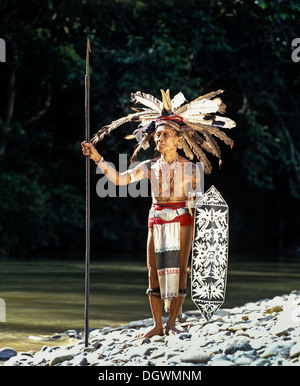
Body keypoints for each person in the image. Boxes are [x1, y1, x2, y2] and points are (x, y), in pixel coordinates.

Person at [81, 89, 235, 337]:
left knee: (181, 271)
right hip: (156, 218)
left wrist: (203, 221)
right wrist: (98, 158)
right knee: (154, 272)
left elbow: (197, 202)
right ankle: (157, 324)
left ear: (177, 139)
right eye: (157, 135)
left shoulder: (192, 169)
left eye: (165, 135)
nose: (159, 139)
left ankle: (172, 322)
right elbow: (120, 180)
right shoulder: (149, 166)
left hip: (184, 220)